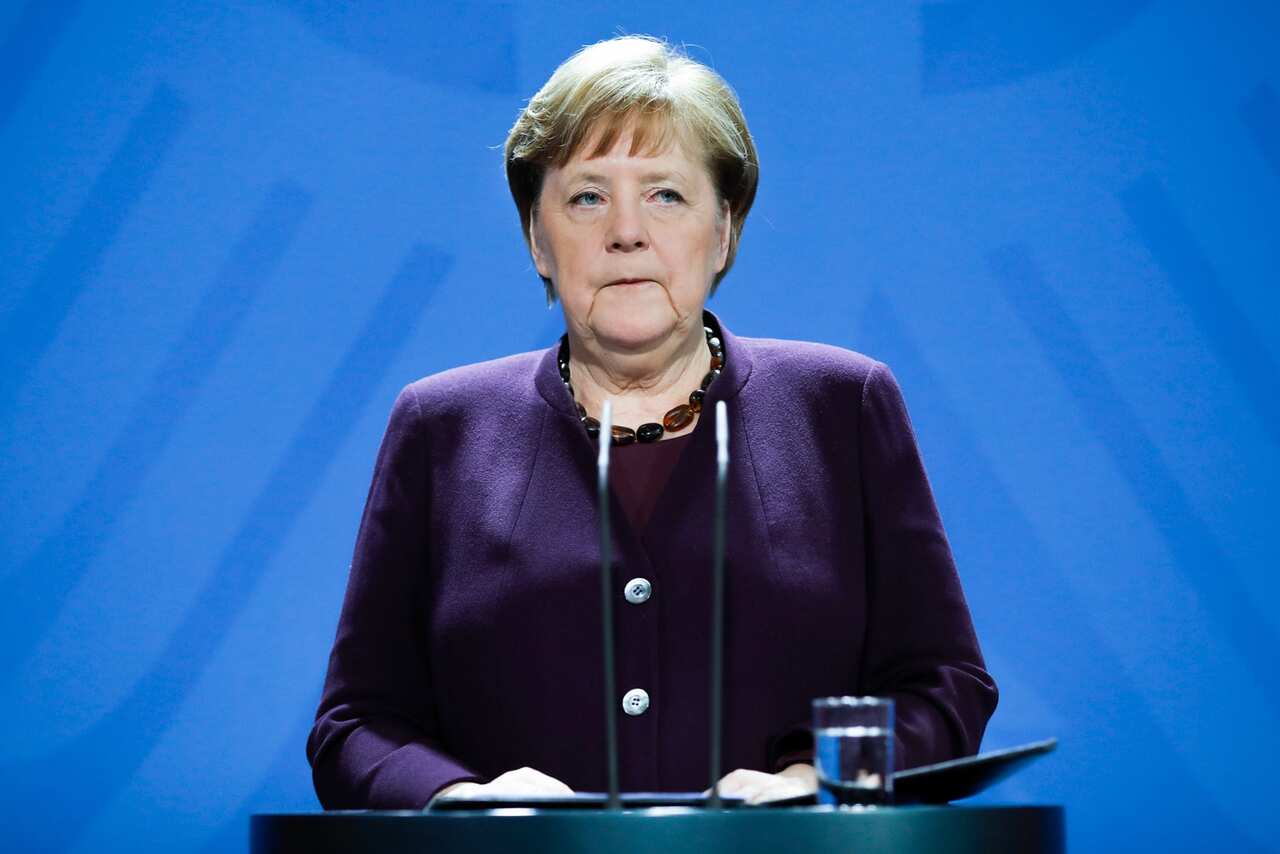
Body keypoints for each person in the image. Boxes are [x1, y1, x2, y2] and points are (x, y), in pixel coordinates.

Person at [306, 35, 997, 809]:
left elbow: (944, 687)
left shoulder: (843, 406)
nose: (626, 232)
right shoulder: (441, 426)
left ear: (724, 229)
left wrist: (814, 782)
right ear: (538, 238)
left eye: (666, 195)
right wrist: (461, 798)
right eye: (587, 197)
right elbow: (355, 725)